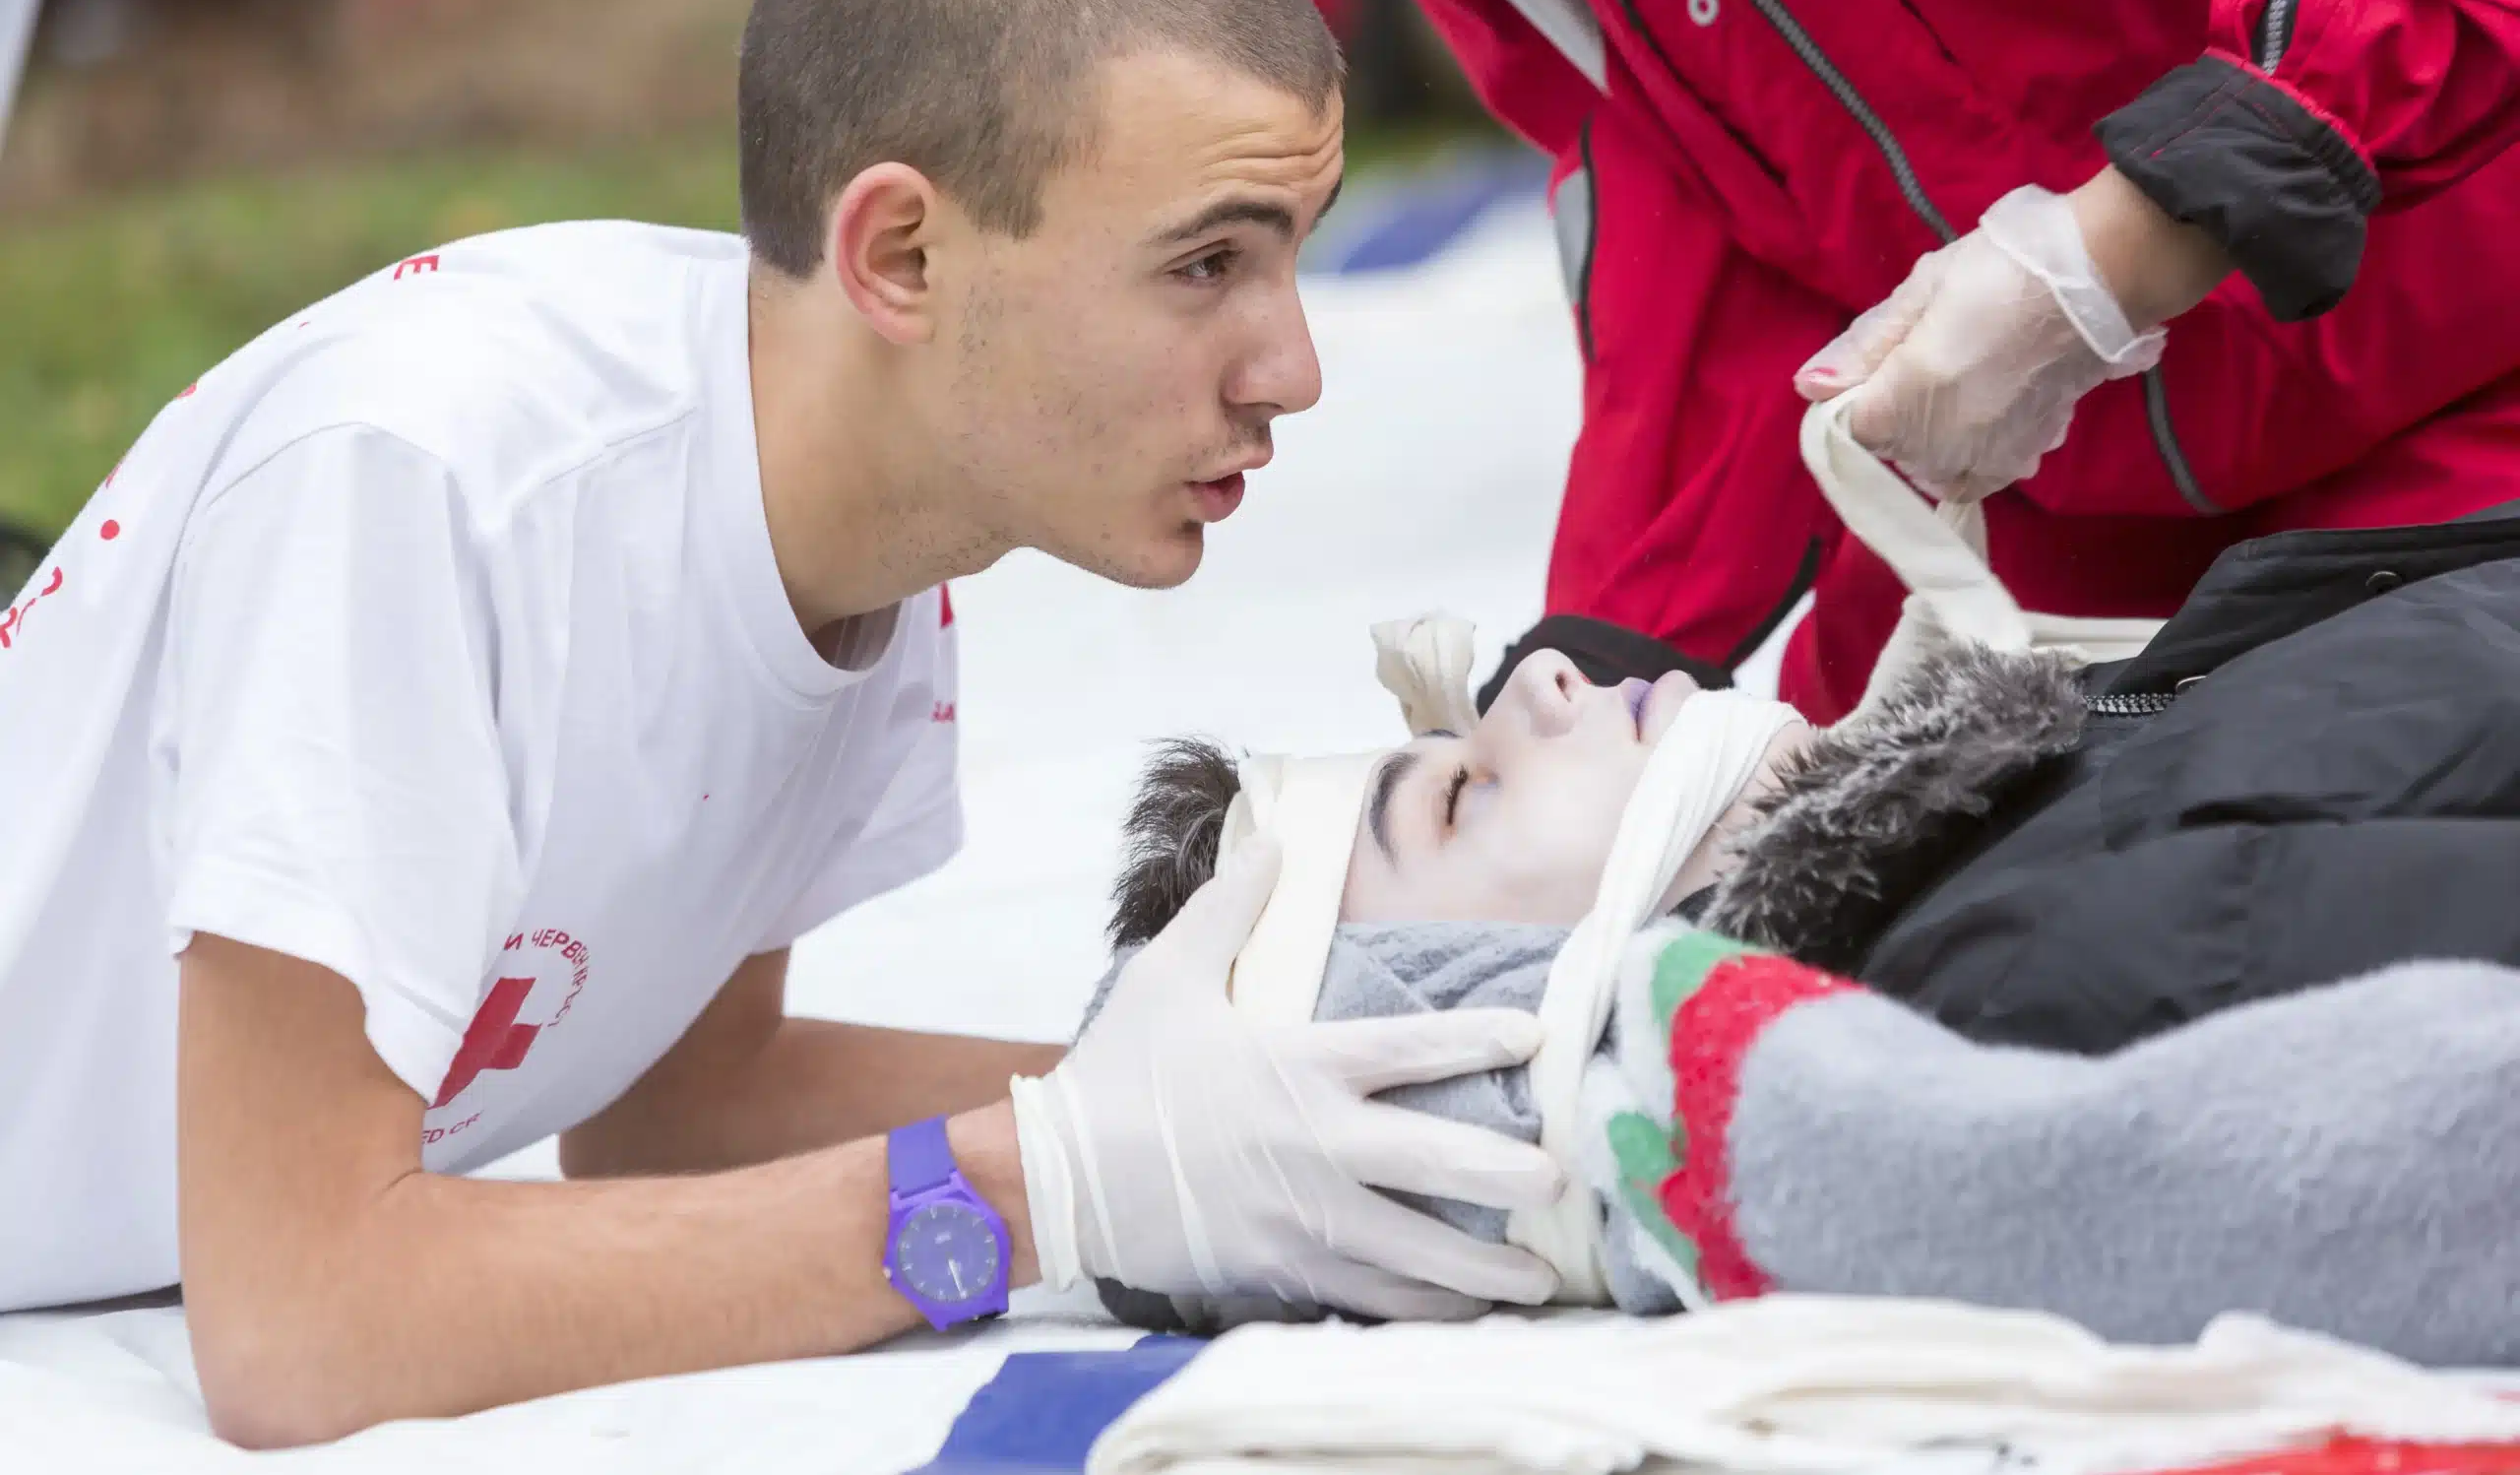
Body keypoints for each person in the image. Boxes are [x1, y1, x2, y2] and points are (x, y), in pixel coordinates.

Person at [0, 0, 1570, 1448]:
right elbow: (303, 1320)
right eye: (1204, 263)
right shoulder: (421, 485)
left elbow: (685, 1105)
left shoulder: (857, 520)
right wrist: (1055, 1183)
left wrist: (1275, 1096)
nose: (1293, 369)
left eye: (1289, 257)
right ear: (900, 253)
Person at [1077, 501, 2520, 1362]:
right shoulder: (2029, 966)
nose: (1551, 674)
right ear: (1487, 1022)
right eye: (1457, 798)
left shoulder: (2019, 810)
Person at [1204, 0, 2520, 723]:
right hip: (2039, 505)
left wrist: (2132, 236)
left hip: (2469, 366)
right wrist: (1618, 649)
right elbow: (1681, 167)